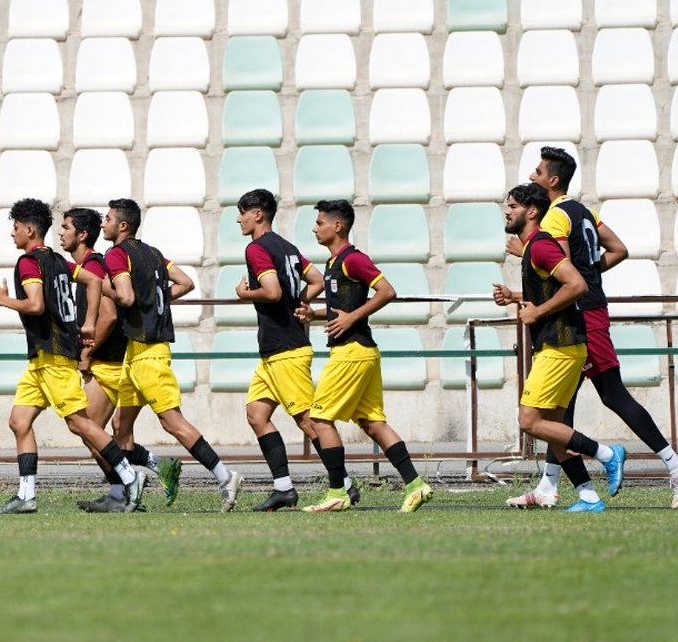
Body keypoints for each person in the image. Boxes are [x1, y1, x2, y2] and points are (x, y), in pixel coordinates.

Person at [505, 148, 678, 509]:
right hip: (589, 306)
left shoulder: (556, 218)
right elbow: (618, 250)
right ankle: (551, 484)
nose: (532, 176)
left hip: (583, 314)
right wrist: (587, 274)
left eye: (537, 172)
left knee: (611, 394)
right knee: (561, 406)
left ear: (552, 180)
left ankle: (674, 463)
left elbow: (563, 273)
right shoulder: (584, 211)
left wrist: (529, 252)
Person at [0, 198, 147, 514]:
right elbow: (92, 280)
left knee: (79, 423)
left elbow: (35, 305)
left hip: (54, 358)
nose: (12, 234)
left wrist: (4, 300)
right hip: (40, 361)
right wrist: (86, 322)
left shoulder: (29, 262)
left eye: (15, 228)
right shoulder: (59, 261)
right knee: (19, 422)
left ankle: (129, 478)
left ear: (29, 230)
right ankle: (26, 496)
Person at [102, 198, 244, 512]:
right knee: (120, 427)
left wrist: (101, 286)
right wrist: (155, 300)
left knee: (171, 422)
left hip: (148, 354)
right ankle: (132, 487)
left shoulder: (116, 256)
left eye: (108, 218)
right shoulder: (153, 254)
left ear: (122, 225)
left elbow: (124, 296)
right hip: (136, 355)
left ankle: (225, 477)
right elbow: (186, 282)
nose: (103, 223)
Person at [492, 184, 627, 513]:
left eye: (513, 206)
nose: (507, 211)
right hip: (560, 345)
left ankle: (608, 455)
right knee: (556, 432)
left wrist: (537, 311)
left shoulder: (540, 247)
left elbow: (577, 284)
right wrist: (516, 298)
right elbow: (550, 291)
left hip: (561, 347)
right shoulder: (533, 249)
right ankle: (589, 497)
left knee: (528, 421)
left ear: (532, 211)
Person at [296, 200, 434, 513]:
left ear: (337, 226)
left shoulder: (353, 259)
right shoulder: (333, 263)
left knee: (320, 418)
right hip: (362, 353)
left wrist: (350, 319)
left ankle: (337, 493)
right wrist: (315, 314)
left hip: (352, 353)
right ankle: (416, 485)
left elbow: (387, 291)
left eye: (319, 223)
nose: (315, 228)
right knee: (373, 423)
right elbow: (343, 306)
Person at [233, 189, 360, 512]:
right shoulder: (287, 248)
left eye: (243, 212)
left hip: (285, 349)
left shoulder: (257, 248)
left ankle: (343, 484)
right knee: (256, 415)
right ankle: (284, 488)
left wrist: (244, 294)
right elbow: (315, 279)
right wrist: (299, 301)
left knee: (308, 420)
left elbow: (273, 292)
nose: (239, 219)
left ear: (258, 214)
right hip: (276, 350)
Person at [57, 207, 182, 513]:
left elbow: (110, 314)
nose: (60, 232)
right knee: (100, 433)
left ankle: (128, 484)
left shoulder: (96, 267)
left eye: (65, 227)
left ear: (82, 235)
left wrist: (86, 353)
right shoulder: (90, 266)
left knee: (88, 428)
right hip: (111, 361)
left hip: (110, 363)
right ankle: (134, 481)